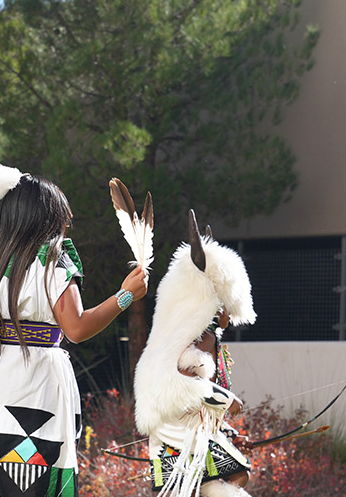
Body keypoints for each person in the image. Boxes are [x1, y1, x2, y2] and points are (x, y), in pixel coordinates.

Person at [0, 165, 148, 497]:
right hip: (34, 387)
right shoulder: (51, 260)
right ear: (47, 220)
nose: (67, 225)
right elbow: (77, 328)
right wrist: (125, 296)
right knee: (36, 482)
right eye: (63, 218)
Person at [135, 211, 255, 497]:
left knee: (225, 478)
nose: (227, 311)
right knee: (236, 474)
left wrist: (226, 431)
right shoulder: (200, 335)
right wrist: (227, 400)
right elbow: (182, 383)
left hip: (178, 431)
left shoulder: (185, 333)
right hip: (177, 433)